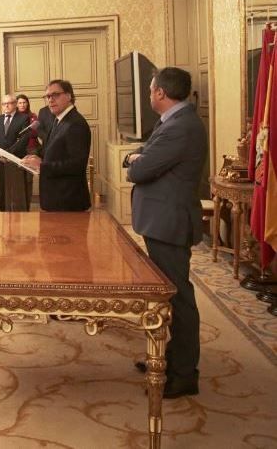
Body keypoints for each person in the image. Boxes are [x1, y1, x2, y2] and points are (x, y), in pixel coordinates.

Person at [124, 67, 207, 399]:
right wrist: (139, 158)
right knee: (168, 294)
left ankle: (184, 373)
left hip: (168, 221)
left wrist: (134, 159)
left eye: (150, 90)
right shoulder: (174, 122)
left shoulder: (180, 127)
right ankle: (171, 358)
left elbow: (141, 169)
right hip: (163, 219)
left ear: (160, 93)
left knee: (178, 298)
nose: (148, 95)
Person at [23, 80, 92, 212]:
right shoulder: (58, 119)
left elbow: (77, 165)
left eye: (55, 95)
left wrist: (42, 166)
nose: (50, 100)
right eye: (48, 96)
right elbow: (52, 150)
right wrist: (35, 157)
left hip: (67, 201)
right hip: (55, 199)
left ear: (69, 96)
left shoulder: (75, 123)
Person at [0, 94, 31, 211]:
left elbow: (24, 139)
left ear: (15, 104)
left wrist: (8, 154)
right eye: (4, 103)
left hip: (16, 159)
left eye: (9, 103)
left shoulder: (23, 118)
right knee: (2, 187)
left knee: (16, 188)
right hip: (0, 159)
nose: (6, 105)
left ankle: (18, 212)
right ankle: (3, 210)